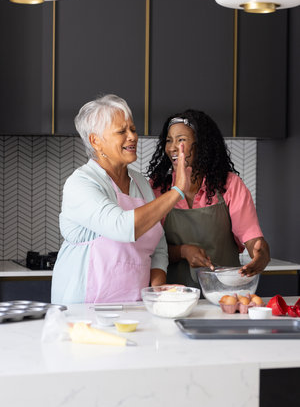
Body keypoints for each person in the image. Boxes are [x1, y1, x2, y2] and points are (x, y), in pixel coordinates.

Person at [51, 94, 190, 304]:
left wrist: (157, 280)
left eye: (132, 129)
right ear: (95, 141)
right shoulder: (81, 183)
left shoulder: (141, 183)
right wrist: (177, 191)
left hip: (134, 307)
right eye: (121, 131)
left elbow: (158, 243)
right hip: (83, 308)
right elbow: (121, 227)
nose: (132, 137)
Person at [148, 109, 270, 288]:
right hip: (174, 297)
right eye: (168, 140)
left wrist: (261, 255)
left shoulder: (229, 185)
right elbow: (150, 248)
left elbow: (252, 239)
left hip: (225, 295)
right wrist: (183, 251)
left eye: (181, 140)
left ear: (201, 144)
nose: (172, 147)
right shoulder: (157, 188)